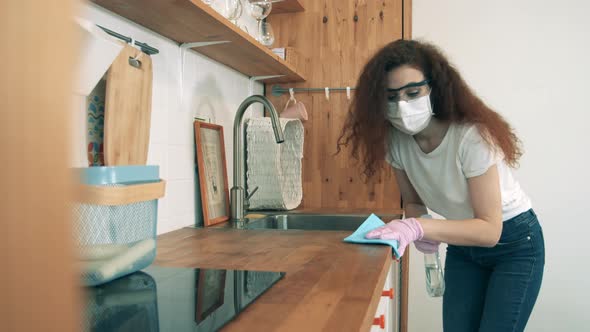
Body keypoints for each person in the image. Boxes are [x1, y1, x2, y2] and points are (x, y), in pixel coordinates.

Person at [337, 40, 545, 332]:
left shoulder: (471, 137)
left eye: (413, 92)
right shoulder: (395, 142)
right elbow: (413, 202)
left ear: (433, 87)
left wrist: (418, 228)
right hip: (463, 244)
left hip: (514, 244)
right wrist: (422, 230)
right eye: (392, 97)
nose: (403, 106)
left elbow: (489, 230)